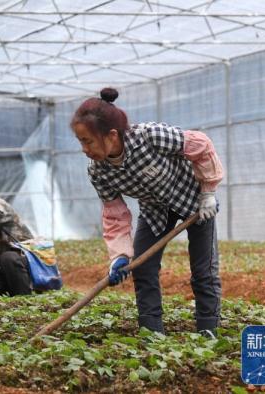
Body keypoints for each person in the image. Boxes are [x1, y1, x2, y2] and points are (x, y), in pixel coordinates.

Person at [71, 87, 224, 337]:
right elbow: (114, 214)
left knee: (203, 270)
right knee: (142, 268)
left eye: (87, 140)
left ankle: (209, 330)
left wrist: (208, 191)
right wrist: (119, 255)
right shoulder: (98, 171)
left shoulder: (150, 136)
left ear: (111, 135)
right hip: (155, 211)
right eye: (81, 141)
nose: (84, 149)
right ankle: (152, 333)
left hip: (195, 203)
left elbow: (201, 145)